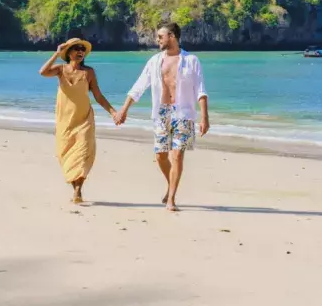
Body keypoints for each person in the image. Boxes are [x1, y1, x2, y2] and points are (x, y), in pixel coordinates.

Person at [115, 22, 209, 212]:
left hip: (183, 113)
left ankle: (171, 198)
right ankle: (171, 184)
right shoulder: (155, 61)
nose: (157, 40)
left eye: (160, 36)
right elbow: (139, 86)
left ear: (172, 36)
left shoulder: (191, 60)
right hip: (162, 113)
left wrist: (204, 117)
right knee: (160, 156)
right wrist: (123, 109)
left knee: (177, 156)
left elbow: (200, 90)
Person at [39, 36, 118, 204]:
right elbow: (43, 72)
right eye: (77, 48)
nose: (81, 51)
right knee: (66, 154)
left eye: (82, 49)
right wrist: (56, 53)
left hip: (84, 120)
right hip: (65, 121)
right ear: (69, 53)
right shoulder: (60, 70)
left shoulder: (88, 72)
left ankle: (78, 190)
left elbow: (98, 96)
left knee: (82, 154)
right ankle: (75, 185)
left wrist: (113, 112)